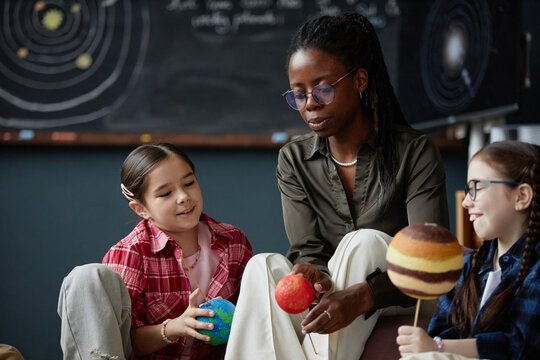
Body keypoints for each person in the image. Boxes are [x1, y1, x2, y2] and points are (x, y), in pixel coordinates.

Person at [225, 13, 449, 360]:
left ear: (359, 81)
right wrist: (311, 272)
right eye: (298, 95)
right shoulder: (294, 159)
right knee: (262, 266)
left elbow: (430, 259)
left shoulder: (414, 151)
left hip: (395, 289)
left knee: (363, 242)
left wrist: (362, 296)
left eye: (323, 88)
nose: (310, 104)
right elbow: (308, 249)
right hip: (330, 290)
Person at [58, 143, 253, 360]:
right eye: (166, 193)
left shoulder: (233, 241)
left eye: (189, 183)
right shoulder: (130, 254)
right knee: (88, 275)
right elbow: (124, 342)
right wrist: (174, 327)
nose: (183, 197)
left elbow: (252, 318)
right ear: (140, 208)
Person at [396, 140, 540, 360]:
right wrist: (433, 345)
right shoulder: (466, 267)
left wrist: (439, 348)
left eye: (477, 188)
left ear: (521, 196)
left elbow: (517, 345)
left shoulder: (536, 269)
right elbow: (440, 333)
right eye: (467, 190)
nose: (466, 203)